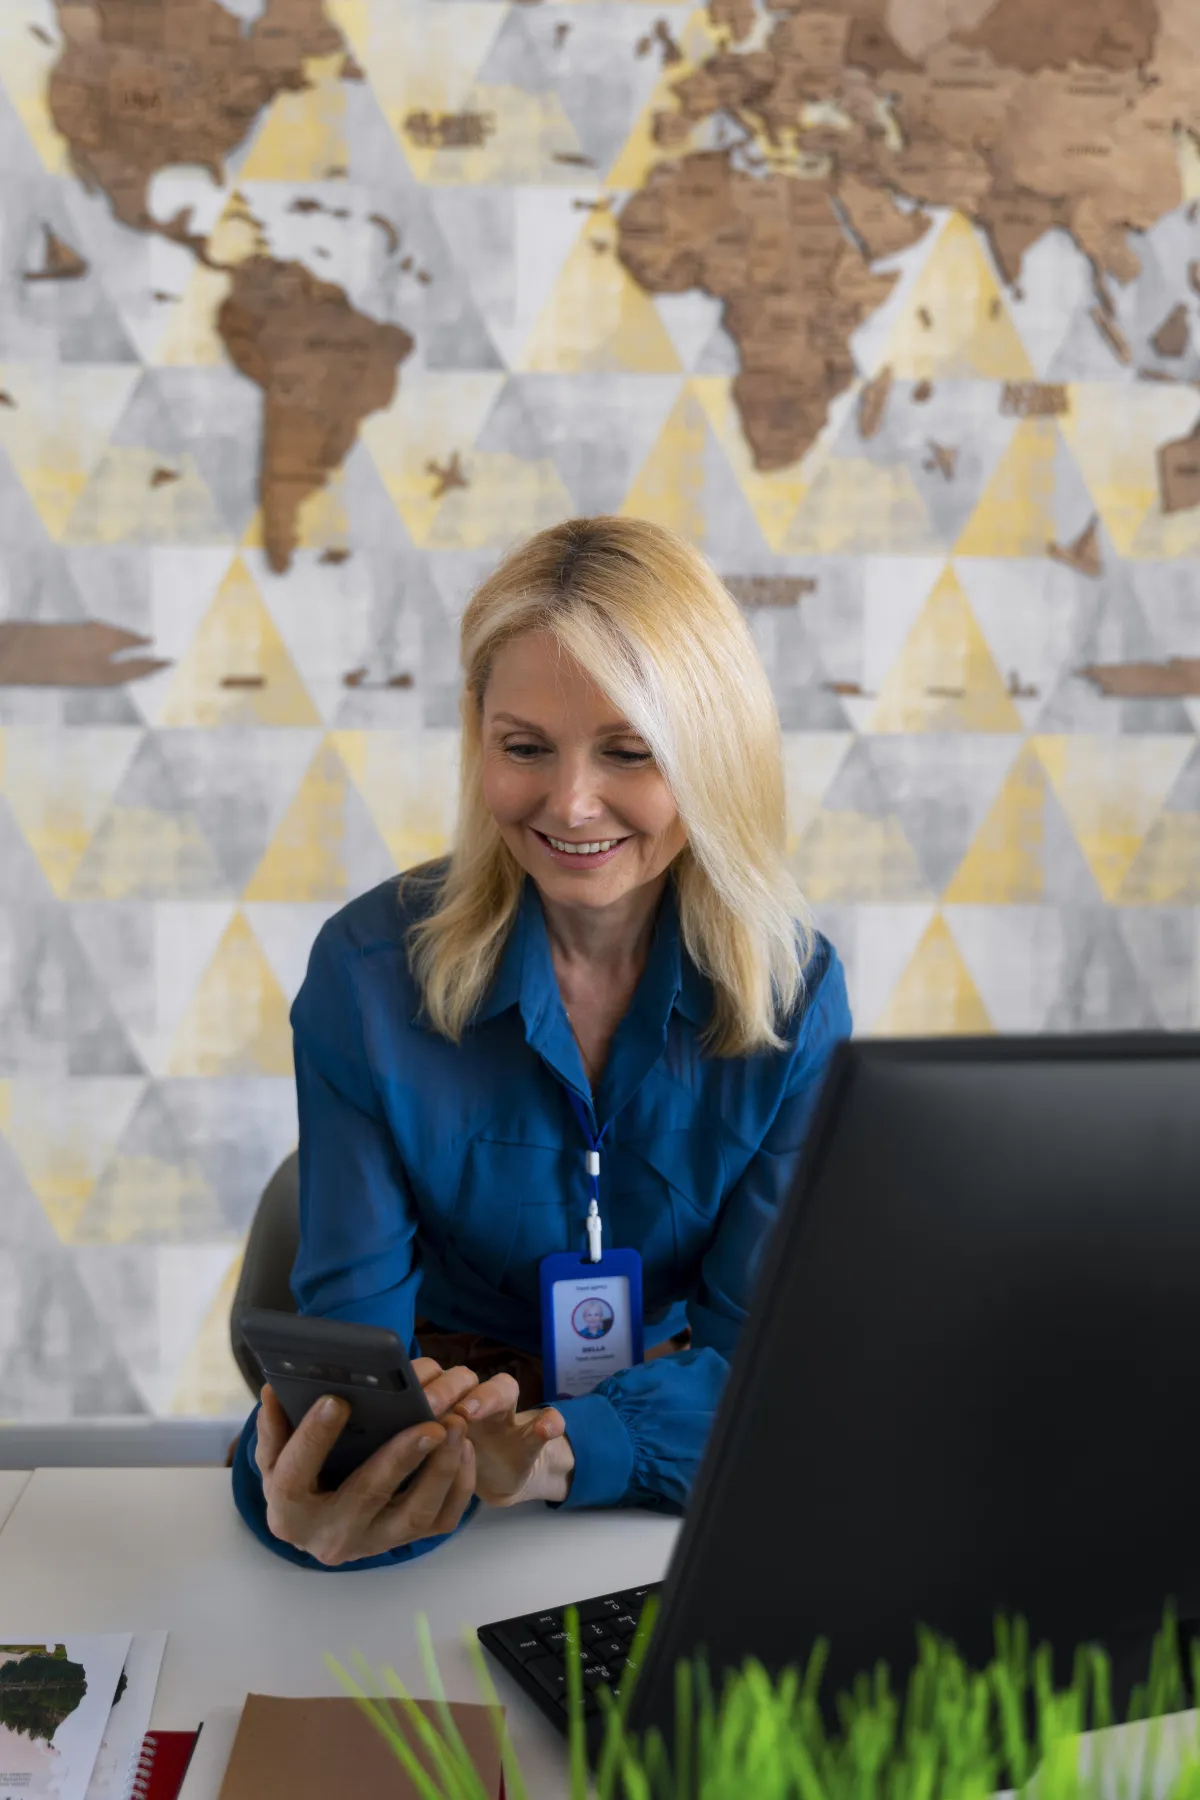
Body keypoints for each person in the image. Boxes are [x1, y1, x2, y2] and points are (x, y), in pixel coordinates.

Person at [232, 516, 851, 1569]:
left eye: (630, 751)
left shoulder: (793, 993)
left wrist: (556, 1455)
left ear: (712, 751)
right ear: (479, 737)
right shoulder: (365, 975)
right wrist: (332, 1495)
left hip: (666, 1427)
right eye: (525, 748)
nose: (571, 803)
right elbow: (352, 1371)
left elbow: (766, 1369)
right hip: (441, 1419)